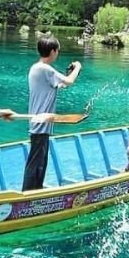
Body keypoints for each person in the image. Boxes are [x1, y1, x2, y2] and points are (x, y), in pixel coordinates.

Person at [23, 35, 82, 191]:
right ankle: (28, 194)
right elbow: (69, 81)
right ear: (53, 51)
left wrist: (68, 76)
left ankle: (36, 190)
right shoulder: (45, 68)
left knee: (40, 161)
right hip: (42, 122)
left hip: (40, 121)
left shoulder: (36, 68)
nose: (58, 53)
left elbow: (58, 85)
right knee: (36, 162)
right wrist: (77, 68)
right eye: (58, 50)